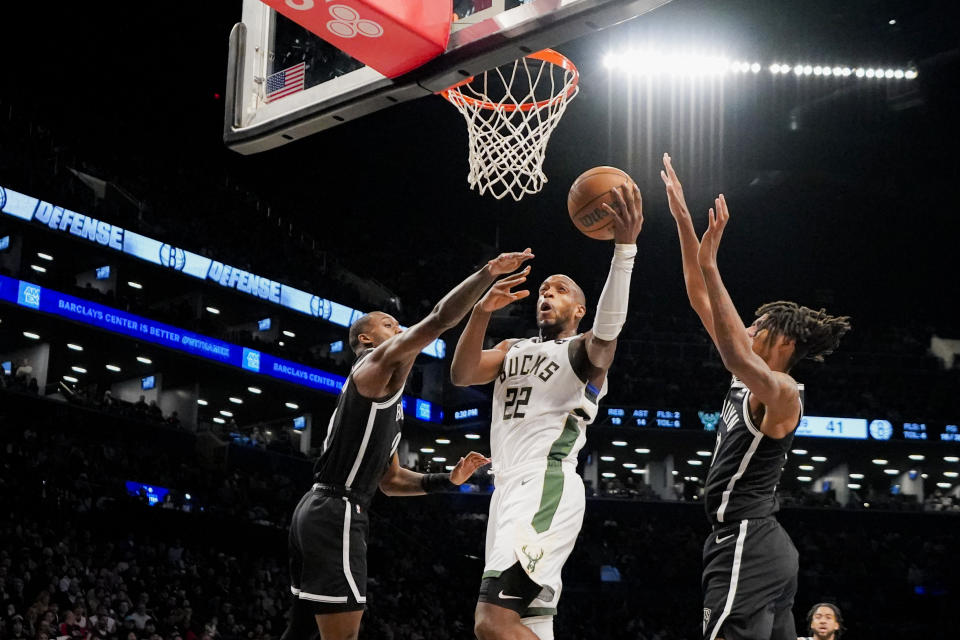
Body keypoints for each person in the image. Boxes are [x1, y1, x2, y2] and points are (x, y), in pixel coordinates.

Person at [281, 248, 533, 640]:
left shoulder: (388, 401)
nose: (399, 330)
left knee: (299, 633)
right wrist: (487, 273)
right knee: (343, 636)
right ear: (367, 339)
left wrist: (445, 479)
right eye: (389, 324)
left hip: (322, 509)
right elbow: (437, 320)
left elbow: (391, 481)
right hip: (336, 511)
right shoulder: (373, 366)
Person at [660, 152, 851, 640]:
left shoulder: (783, 391)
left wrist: (711, 261)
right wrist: (683, 221)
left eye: (757, 325)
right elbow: (699, 297)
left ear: (783, 343)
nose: (746, 328)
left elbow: (733, 354)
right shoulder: (750, 376)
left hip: (746, 538)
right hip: (761, 544)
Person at [451, 182, 644, 640]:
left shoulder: (583, 352)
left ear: (579, 309)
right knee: (528, 625)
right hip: (506, 491)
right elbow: (462, 374)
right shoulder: (511, 347)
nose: (546, 294)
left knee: (491, 623)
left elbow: (608, 332)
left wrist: (624, 251)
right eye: (543, 289)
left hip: (545, 483)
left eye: (558, 291)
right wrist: (481, 312)